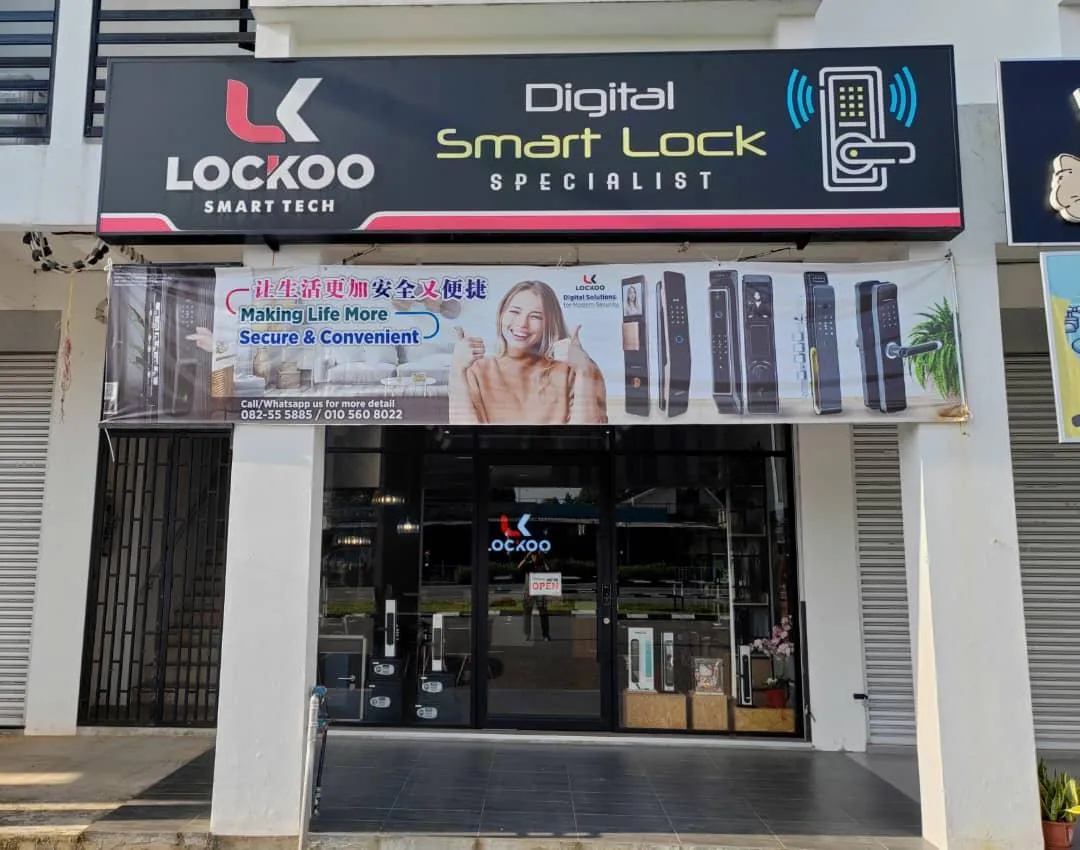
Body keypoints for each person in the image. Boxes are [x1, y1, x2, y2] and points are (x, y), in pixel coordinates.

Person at [449, 280, 607, 424]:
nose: (522, 324)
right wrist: (457, 369)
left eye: (535, 316)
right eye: (515, 312)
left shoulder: (573, 368)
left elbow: (586, 436)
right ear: (502, 314)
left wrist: (584, 370)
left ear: (550, 323)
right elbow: (464, 434)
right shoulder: (476, 369)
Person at [519, 551, 551, 642]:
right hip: (529, 593)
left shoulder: (542, 565)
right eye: (532, 555)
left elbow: (548, 570)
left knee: (543, 613)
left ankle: (546, 635)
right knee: (527, 613)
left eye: (536, 555)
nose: (534, 557)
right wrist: (526, 557)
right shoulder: (528, 565)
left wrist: (543, 559)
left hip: (540, 592)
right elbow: (519, 567)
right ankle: (527, 634)